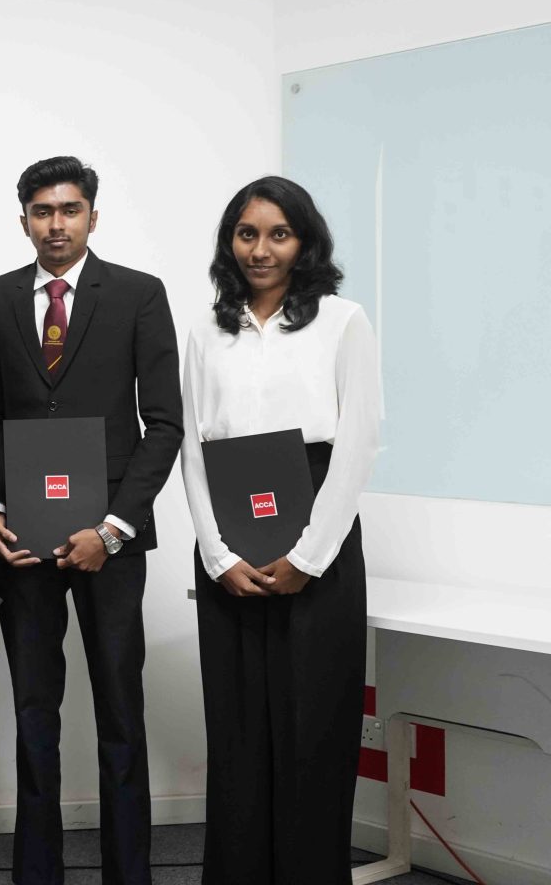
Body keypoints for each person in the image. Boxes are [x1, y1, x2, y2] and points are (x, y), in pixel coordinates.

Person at [0, 156, 183, 885]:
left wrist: (114, 529)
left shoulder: (137, 294)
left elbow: (164, 424)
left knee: (121, 711)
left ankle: (130, 873)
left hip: (110, 541)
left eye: (69, 210)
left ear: (93, 216)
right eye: (42, 211)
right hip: (23, 540)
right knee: (34, 713)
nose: (55, 224)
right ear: (24, 220)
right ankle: (38, 873)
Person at [179, 176, 379, 885]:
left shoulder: (342, 321)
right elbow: (193, 447)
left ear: (304, 242)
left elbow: (357, 443)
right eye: (246, 234)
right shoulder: (207, 331)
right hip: (229, 539)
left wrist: (309, 557)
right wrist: (216, 556)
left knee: (312, 728)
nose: (260, 250)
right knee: (237, 731)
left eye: (278, 234)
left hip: (319, 533)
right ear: (229, 242)